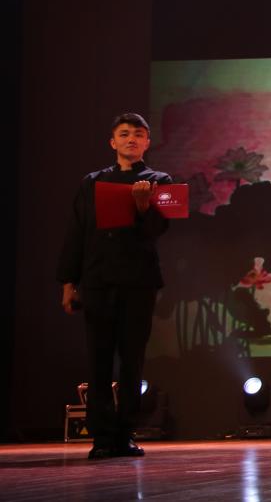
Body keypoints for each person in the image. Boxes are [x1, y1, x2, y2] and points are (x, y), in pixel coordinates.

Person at [57, 113, 172, 460]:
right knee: (99, 359)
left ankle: (125, 434)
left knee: (132, 360)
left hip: (138, 282)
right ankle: (102, 437)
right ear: (113, 141)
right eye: (124, 134)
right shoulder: (91, 183)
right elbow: (76, 233)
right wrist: (68, 282)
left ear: (147, 142)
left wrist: (142, 205)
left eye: (138, 134)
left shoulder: (159, 180)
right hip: (97, 280)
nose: (131, 139)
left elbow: (158, 231)